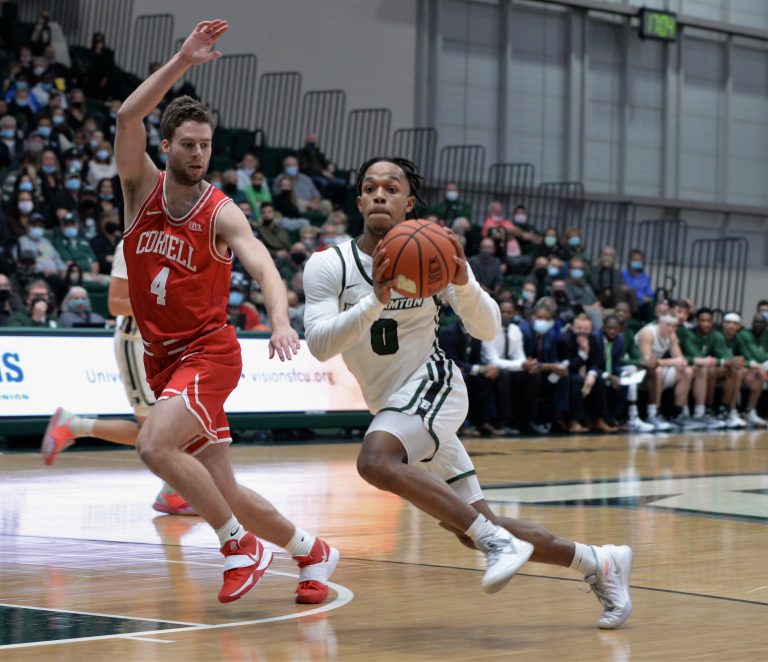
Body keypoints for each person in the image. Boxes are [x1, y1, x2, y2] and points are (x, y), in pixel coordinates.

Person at [303, 156, 633, 628]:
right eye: (370, 187)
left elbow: (488, 328)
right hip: (393, 409)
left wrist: (464, 283)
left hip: (433, 384)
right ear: (358, 201)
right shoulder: (329, 265)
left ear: (409, 203)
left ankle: (496, 543)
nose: (379, 195)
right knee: (470, 527)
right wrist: (375, 299)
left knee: (375, 461)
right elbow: (319, 346)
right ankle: (598, 562)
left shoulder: (435, 252)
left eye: (391, 188)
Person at [71, 19, 337, 606]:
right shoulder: (139, 188)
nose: (199, 154)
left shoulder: (221, 211)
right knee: (224, 490)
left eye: (206, 145)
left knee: (152, 447)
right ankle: (313, 551)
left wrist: (282, 320)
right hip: (162, 359)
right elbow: (126, 118)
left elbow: (265, 267)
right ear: (166, 147)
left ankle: (238, 546)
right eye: (188, 144)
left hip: (209, 354)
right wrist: (183, 61)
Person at [42, 240, 196, 515]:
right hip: (138, 345)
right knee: (154, 432)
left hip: (169, 344)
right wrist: (169, 301)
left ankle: (171, 490)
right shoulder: (132, 244)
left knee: (180, 424)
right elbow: (115, 304)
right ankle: (171, 491)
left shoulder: (183, 238)